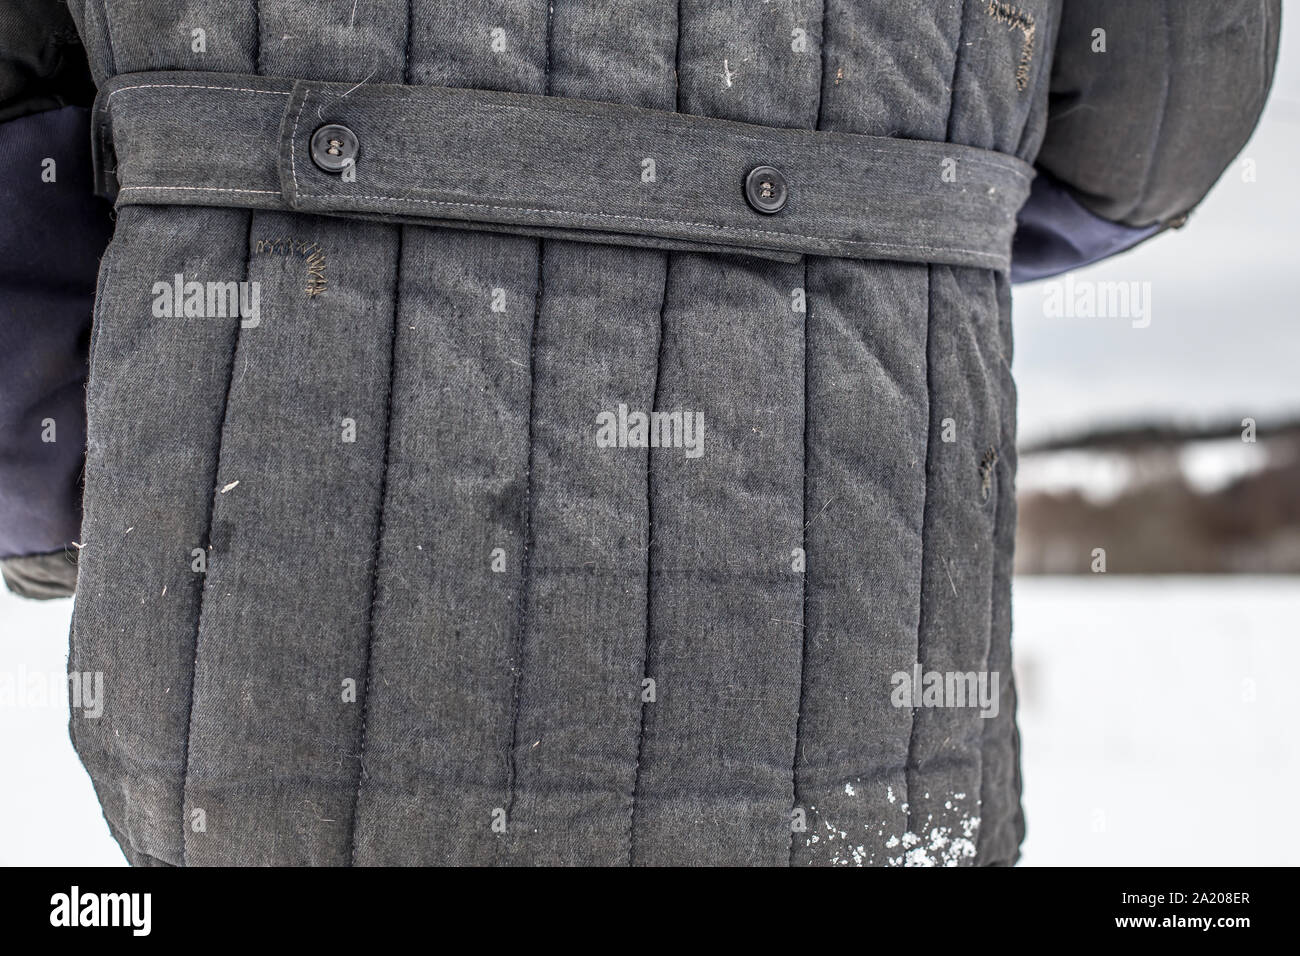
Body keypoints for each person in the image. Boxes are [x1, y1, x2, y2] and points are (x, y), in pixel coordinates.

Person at [0, 0, 1280, 866]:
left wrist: (82, 502)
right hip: (864, 700)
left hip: (255, 687)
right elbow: (1166, 103)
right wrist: (924, 205)